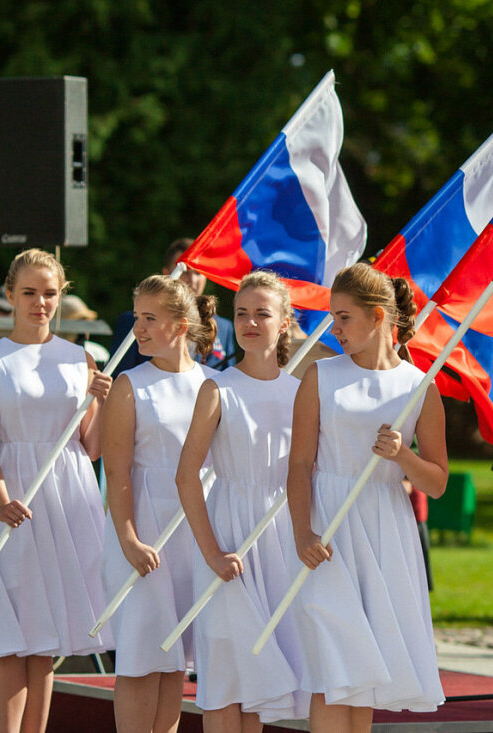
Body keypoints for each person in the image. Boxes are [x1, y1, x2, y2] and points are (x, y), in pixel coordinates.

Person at [287, 263, 447, 732]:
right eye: (334, 318)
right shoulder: (320, 376)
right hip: (329, 528)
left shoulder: (419, 386)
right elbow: (299, 464)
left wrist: (403, 457)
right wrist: (302, 532)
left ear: (378, 318)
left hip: (386, 529)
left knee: (366, 673)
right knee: (334, 667)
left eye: (344, 318)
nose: (334, 329)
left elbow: (436, 482)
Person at [0, 248, 113, 733]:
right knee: (10, 633)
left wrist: (103, 404)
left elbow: (90, 447)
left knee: (45, 634)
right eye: (29, 293)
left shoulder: (80, 359)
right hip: (8, 498)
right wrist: (0, 496)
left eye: (50, 293)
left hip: (65, 497)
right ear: (10, 295)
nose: (40, 302)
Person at [175, 270, 304, 730]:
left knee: (264, 681)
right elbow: (186, 475)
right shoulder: (218, 389)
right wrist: (211, 551)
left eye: (262, 314)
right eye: (242, 313)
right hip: (228, 536)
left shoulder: (300, 392)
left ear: (285, 321)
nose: (250, 323)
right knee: (226, 678)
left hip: (283, 542)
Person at [101, 275, 218, 733]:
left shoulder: (214, 384)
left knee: (175, 660)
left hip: (193, 533)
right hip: (143, 530)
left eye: (150, 319)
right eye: (136, 318)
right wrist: (128, 538)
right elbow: (117, 472)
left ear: (181, 324)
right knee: (138, 656)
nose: (139, 329)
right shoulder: (129, 384)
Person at [111, 238, 235, 374]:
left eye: (198, 273)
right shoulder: (132, 322)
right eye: (185, 272)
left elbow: (228, 379)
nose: (193, 280)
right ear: (167, 274)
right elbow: (119, 375)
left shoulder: (224, 327)